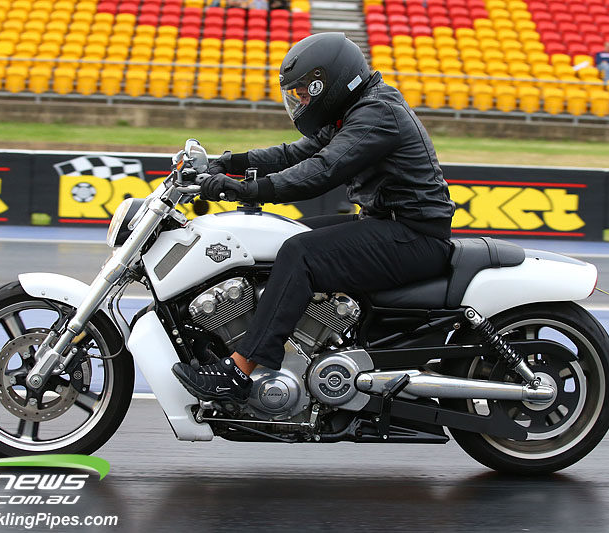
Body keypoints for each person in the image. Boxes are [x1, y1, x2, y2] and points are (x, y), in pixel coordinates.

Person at [172, 33, 455, 403]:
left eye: (305, 93)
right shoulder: (355, 110)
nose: (302, 102)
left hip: (413, 234)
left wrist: (244, 189)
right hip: (389, 224)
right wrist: (228, 162)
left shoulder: (376, 113)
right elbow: (293, 154)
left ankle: (239, 371)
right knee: (284, 240)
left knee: (300, 253)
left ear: (329, 83)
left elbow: (322, 170)